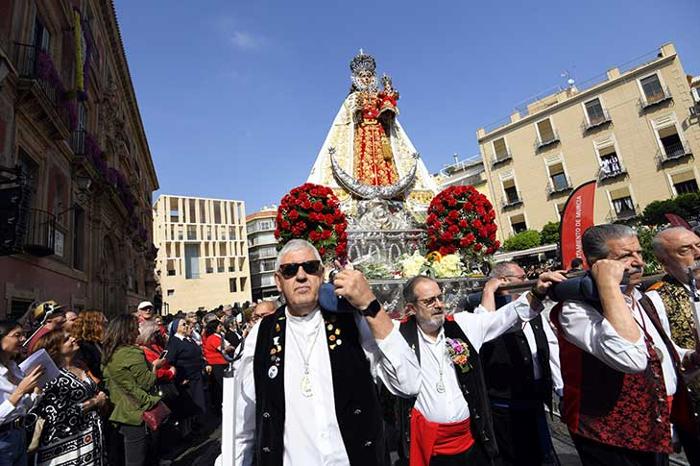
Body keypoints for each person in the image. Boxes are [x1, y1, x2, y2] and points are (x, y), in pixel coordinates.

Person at [233, 239, 420, 466]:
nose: (301, 276)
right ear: (278, 281)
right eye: (290, 270)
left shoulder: (352, 320)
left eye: (310, 267)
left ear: (321, 274)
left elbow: (409, 383)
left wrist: (370, 304)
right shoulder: (261, 334)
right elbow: (244, 423)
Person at [552, 224, 700, 466]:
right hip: (611, 437)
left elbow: (654, 351)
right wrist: (609, 285)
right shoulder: (575, 310)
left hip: (654, 425)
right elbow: (632, 359)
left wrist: (687, 357)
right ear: (598, 264)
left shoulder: (639, 299)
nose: (639, 262)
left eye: (639, 253)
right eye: (625, 256)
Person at [396, 271, 564, 466]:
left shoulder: (462, 324)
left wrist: (537, 292)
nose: (439, 305)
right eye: (429, 301)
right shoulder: (399, 335)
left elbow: (505, 317)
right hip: (428, 444)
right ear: (411, 308)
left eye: (440, 298)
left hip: (469, 439)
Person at [477, 262, 562, 466]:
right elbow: (485, 328)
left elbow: (550, 346)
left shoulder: (534, 308)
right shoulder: (487, 311)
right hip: (505, 405)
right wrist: (489, 291)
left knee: (541, 454)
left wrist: (561, 388)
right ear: (504, 281)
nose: (528, 281)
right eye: (522, 278)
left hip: (535, 396)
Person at [648, 226, 700, 464]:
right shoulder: (655, 299)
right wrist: (692, 356)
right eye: (685, 250)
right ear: (664, 262)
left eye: (698, 245)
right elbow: (662, 357)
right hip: (694, 409)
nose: (698, 253)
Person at [32, 330, 108, 466]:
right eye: (67, 339)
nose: (74, 338)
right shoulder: (52, 376)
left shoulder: (79, 365)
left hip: (90, 438)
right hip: (65, 446)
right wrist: (95, 402)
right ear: (56, 348)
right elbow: (57, 415)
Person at [102, 314, 163, 466]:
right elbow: (147, 382)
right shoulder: (132, 352)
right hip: (136, 411)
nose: (137, 332)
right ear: (127, 331)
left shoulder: (109, 352)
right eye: (135, 328)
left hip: (118, 410)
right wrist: (155, 366)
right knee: (138, 458)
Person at [0, 320, 44, 466]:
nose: (23, 339)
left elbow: (25, 406)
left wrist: (37, 389)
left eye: (23, 335)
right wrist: (20, 391)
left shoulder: (14, 368)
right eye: (17, 335)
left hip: (19, 434)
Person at [166, 317, 209, 433]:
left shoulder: (188, 339)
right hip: (186, 378)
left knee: (198, 403)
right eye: (183, 324)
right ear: (176, 328)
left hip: (196, 376)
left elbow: (197, 354)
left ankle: (197, 427)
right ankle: (186, 432)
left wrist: (204, 365)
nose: (186, 326)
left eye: (186, 324)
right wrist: (180, 378)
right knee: (187, 407)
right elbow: (170, 361)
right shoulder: (174, 342)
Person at [72, 310, 107, 383]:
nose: (106, 326)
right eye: (103, 323)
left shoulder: (97, 343)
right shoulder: (82, 346)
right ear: (93, 325)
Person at [202, 319, 229, 412]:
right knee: (219, 387)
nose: (221, 327)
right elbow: (223, 349)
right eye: (219, 326)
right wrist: (229, 348)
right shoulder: (213, 338)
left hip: (222, 363)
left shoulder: (219, 336)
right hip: (217, 364)